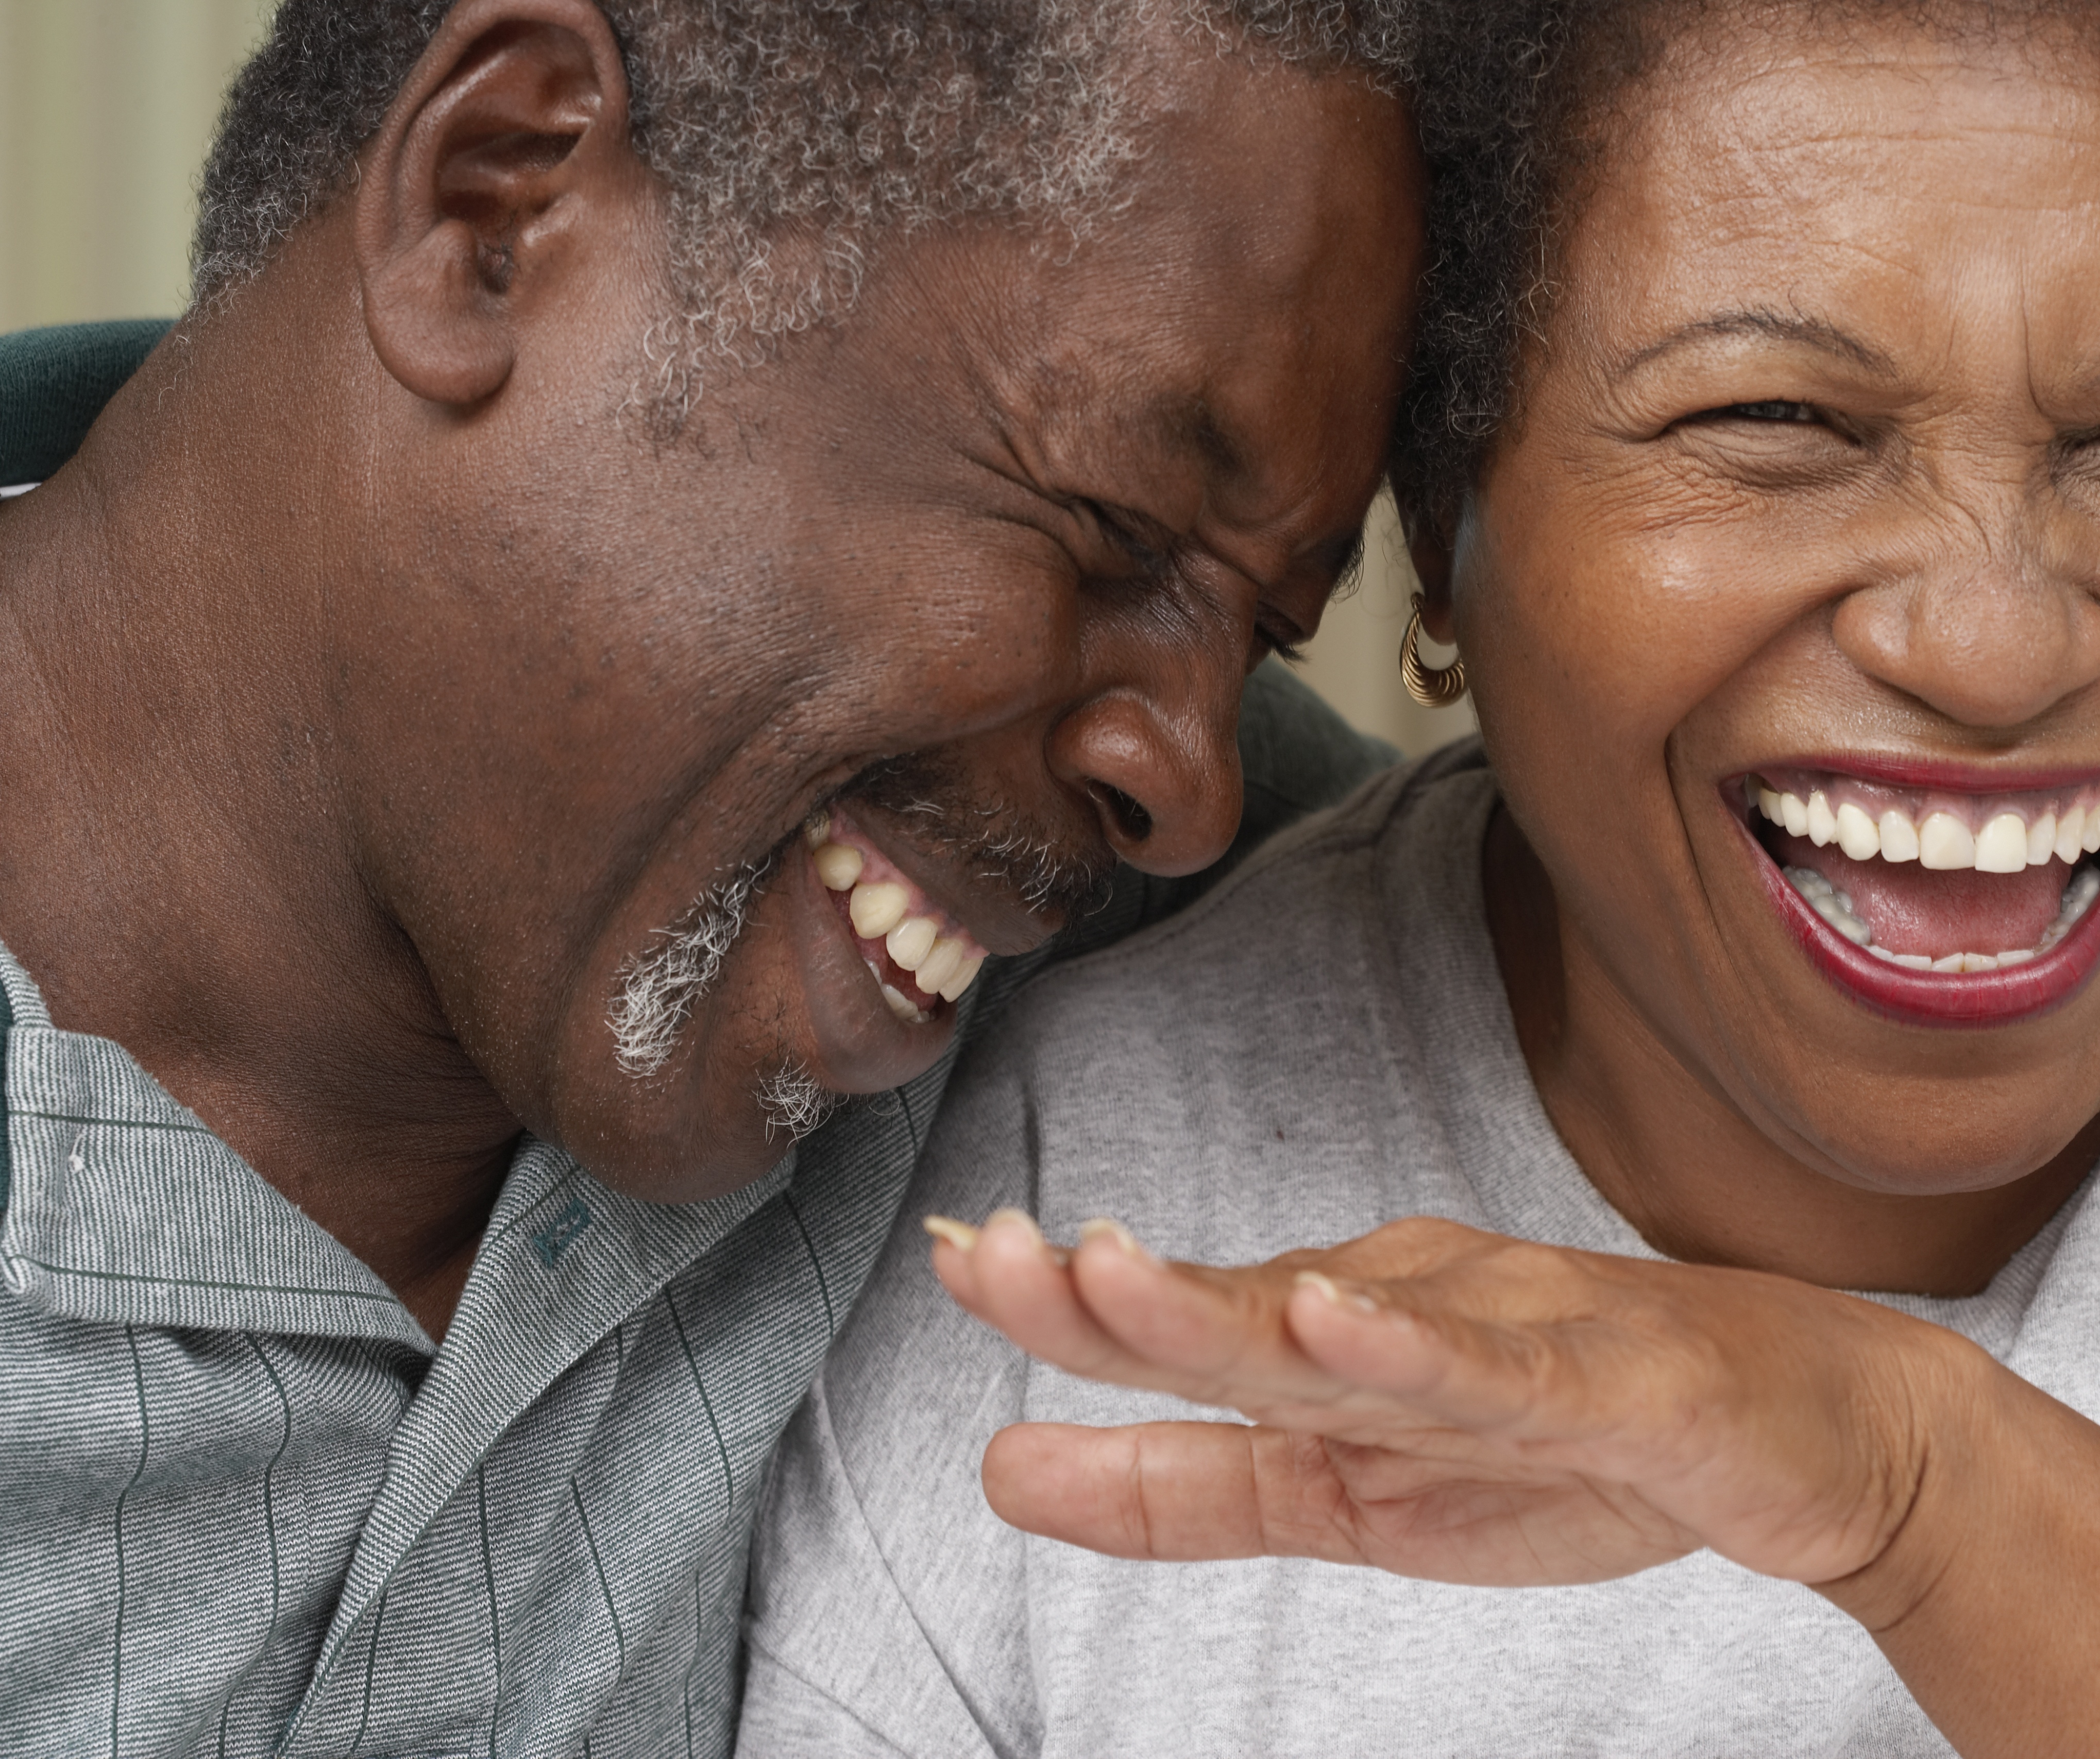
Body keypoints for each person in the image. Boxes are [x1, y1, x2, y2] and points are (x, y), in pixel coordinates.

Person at [740, 0, 2100, 1751]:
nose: (1991, 644)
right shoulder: (1075, 1233)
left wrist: (1913, 1490)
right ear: (1440, 523)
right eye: (1774, 428)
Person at [0, 0, 1427, 1753]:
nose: (1188, 786)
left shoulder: (1134, 941)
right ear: (495, 208)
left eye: (1262, 630)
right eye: (1116, 530)